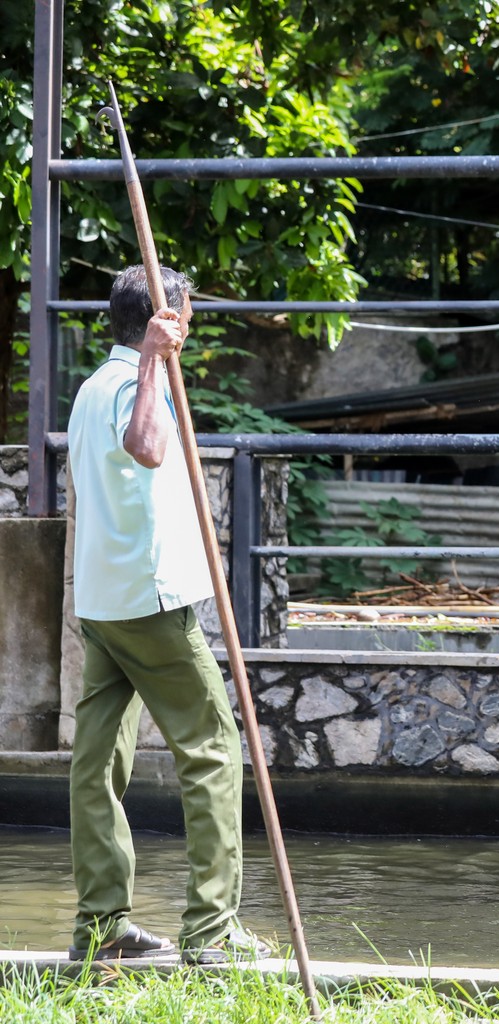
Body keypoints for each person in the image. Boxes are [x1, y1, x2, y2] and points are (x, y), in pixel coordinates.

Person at [66, 264, 269, 965]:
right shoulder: (129, 382)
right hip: (149, 602)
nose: (190, 328)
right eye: (184, 317)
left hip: (101, 602)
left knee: (96, 765)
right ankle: (212, 933)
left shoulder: (92, 387)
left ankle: (102, 928)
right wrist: (153, 359)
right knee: (215, 751)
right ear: (166, 321)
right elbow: (147, 447)